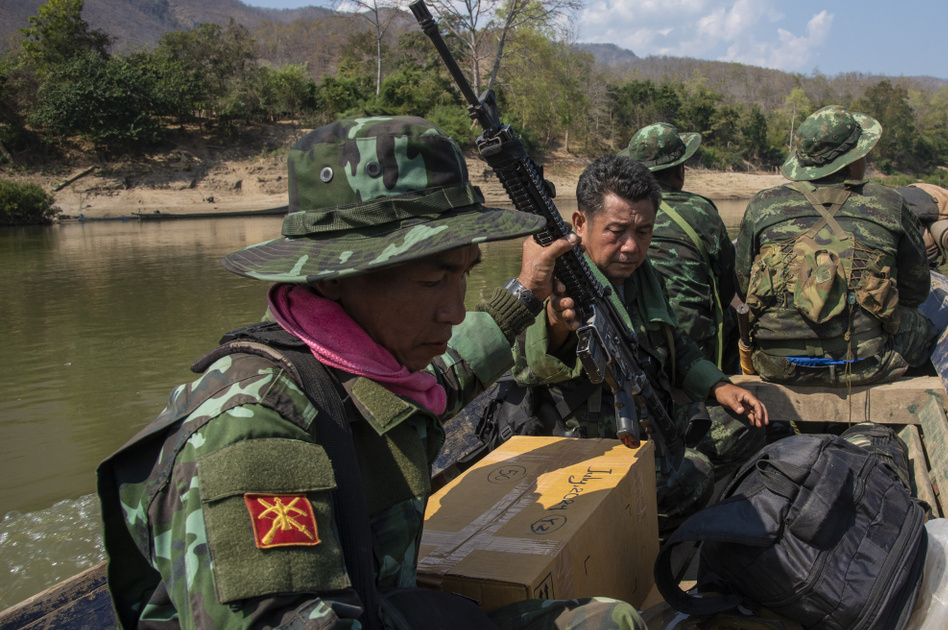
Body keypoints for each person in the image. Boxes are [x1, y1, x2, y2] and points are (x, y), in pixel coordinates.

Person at [96, 117, 645, 630]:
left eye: (464, 276)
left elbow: (445, 382)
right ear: (333, 278)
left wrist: (525, 294)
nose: (455, 311)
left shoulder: (369, 365)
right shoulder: (252, 433)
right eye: (433, 282)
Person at [511, 154, 768, 532]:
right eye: (616, 231)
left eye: (643, 232)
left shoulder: (645, 277)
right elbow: (531, 365)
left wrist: (719, 385)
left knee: (749, 425)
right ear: (580, 223)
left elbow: (675, 344)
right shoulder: (554, 279)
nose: (631, 247)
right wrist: (556, 322)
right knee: (695, 479)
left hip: (653, 414)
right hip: (589, 446)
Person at [736, 105, 937, 387]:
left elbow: (743, 285)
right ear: (853, 159)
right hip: (865, 364)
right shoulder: (889, 202)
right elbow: (916, 291)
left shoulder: (762, 204)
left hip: (776, 364)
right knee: (925, 327)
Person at [618, 123, 763, 479]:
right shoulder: (700, 211)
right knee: (735, 315)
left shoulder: (619, 218)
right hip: (683, 348)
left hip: (655, 349)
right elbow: (731, 283)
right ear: (680, 170)